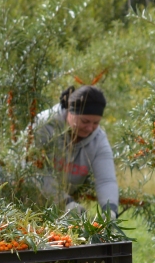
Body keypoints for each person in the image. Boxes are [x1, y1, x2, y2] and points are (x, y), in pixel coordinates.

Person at [34, 84, 119, 215]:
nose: (90, 128)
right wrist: (65, 201)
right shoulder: (43, 126)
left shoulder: (99, 140)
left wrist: (110, 210)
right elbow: (33, 170)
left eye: (96, 123)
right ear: (70, 111)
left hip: (57, 211)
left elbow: (106, 180)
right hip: (22, 201)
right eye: (85, 121)